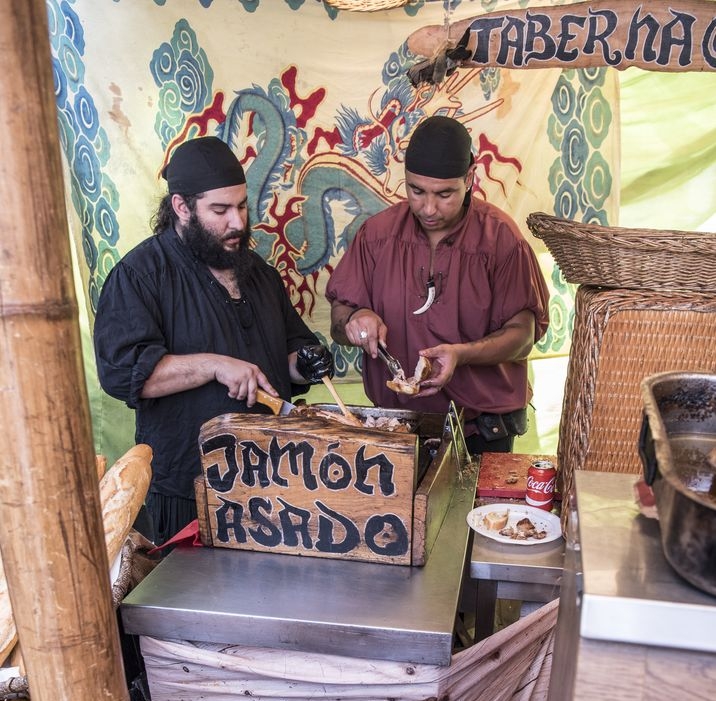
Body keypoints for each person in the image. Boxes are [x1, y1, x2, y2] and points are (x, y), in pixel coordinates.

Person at [94, 136, 332, 545]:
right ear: (182, 207)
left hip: (273, 484)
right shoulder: (140, 276)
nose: (237, 222)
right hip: (191, 488)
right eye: (220, 210)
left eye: (241, 206)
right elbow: (123, 374)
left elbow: (286, 354)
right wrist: (214, 364)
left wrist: (304, 360)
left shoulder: (257, 272)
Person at [327, 116, 550, 455]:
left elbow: (522, 336)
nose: (428, 208)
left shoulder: (501, 241)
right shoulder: (377, 235)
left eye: (445, 194)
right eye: (416, 191)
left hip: (482, 428)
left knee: (479, 511)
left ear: (470, 179)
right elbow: (340, 319)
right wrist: (356, 319)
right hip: (397, 426)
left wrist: (462, 355)